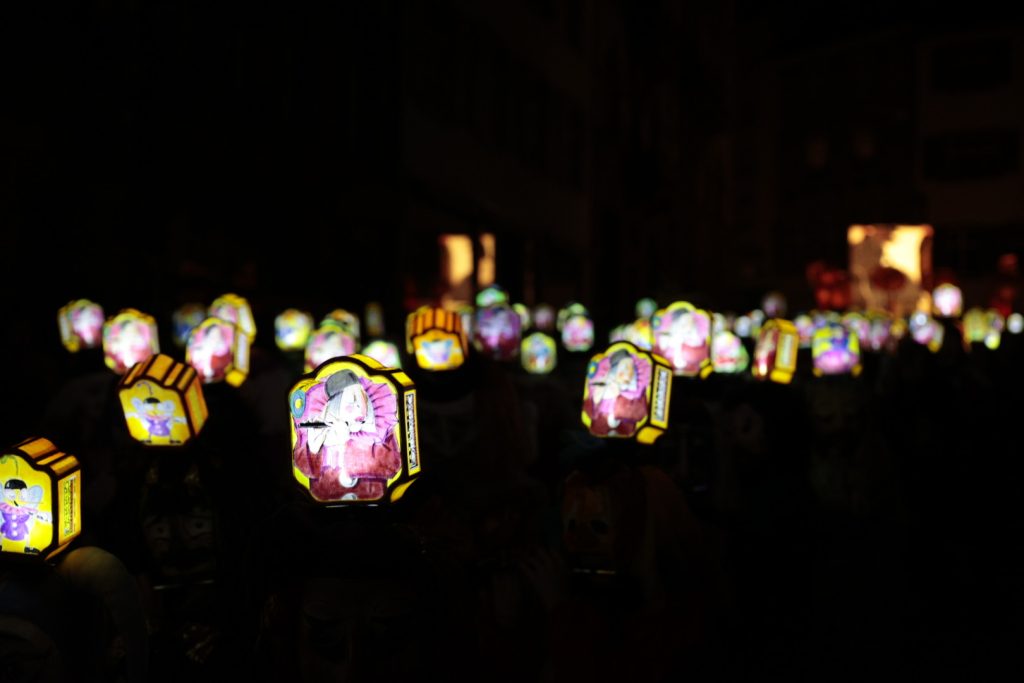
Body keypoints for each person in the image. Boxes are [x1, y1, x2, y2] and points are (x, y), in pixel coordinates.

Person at [292, 370, 402, 502]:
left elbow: (393, 465)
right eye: (351, 401)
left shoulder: (379, 426)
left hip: (372, 500)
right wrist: (313, 449)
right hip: (324, 502)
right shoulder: (318, 424)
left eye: (362, 397)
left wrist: (347, 444)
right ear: (333, 404)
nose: (359, 407)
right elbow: (301, 465)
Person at [583, 350, 650, 437]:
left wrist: (620, 404)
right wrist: (597, 398)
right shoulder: (602, 382)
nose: (628, 371)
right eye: (624, 367)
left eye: (631, 367)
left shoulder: (635, 391)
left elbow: (640, 413)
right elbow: (589, 409)